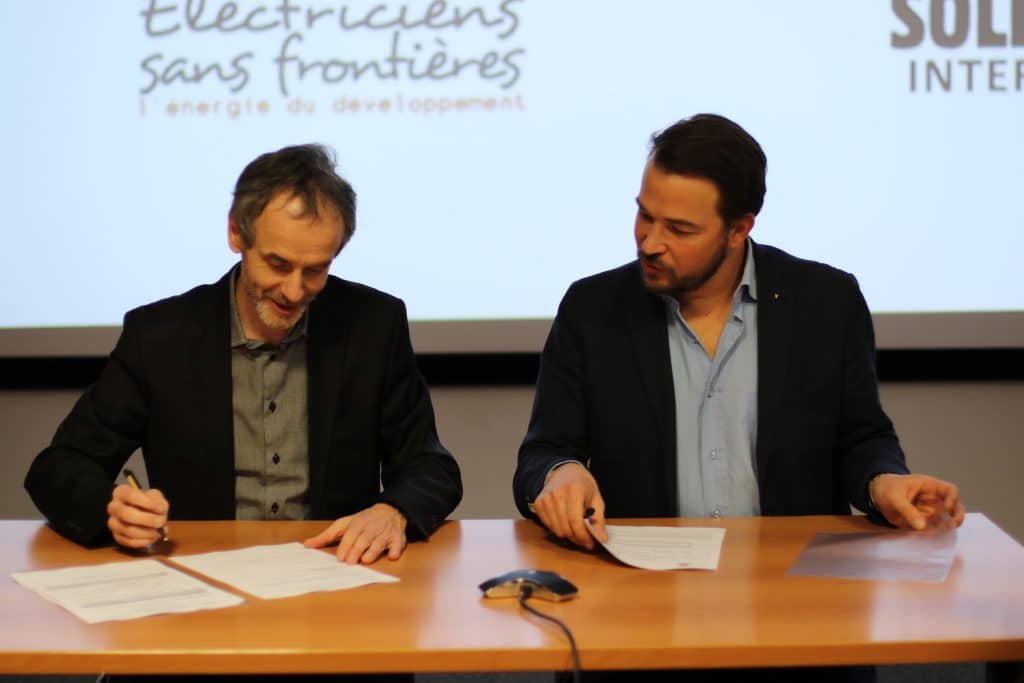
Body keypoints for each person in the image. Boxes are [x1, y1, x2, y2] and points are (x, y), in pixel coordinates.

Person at [513, 114, 965, 681]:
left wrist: (884, 482)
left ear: (739, 228)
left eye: (679, 229)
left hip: (795, 614)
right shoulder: (593, 309)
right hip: (639, 615)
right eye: (644, 215)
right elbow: (543, 452)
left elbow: (861, 438)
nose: (650, 242)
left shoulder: (826, 301)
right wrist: (561, 475)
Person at [26, 143, 462, 568]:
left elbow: (430, 466)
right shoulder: (160, 337)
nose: (294, 291)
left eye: (315, 270)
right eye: (278, 264)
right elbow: (57, 468)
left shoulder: (373, 325)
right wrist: (112, 509)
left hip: (333, 568)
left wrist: (393, 510)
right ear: (236, 233)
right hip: (200, 573)